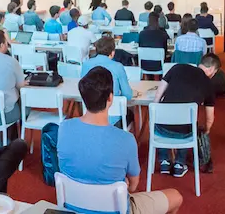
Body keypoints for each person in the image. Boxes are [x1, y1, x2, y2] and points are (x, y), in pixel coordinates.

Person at [59, 68, 183, 213]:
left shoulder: (63, 128)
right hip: (117, 209)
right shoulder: (126, 139)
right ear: (110, 98)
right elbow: (133, 186)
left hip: (73, 208)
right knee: (176, 197)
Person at [153, 52, 219, 176]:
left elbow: (157, 96)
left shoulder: (177, 67)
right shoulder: (209, 84)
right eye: (214, 73)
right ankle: (179, 164)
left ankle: (164, 162)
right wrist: (206, 130)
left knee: (162, 120)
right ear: (211, 69)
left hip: (162, 129)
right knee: (190, 124)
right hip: (184, 133)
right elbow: (210, 118)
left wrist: (155, 116)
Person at [83, 36, 133, 101]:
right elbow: (128, 96)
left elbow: (83, 89)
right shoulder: (118, 67)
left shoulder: (86, 64)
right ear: (112, 52)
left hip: (91, 104)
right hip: (113, 105)